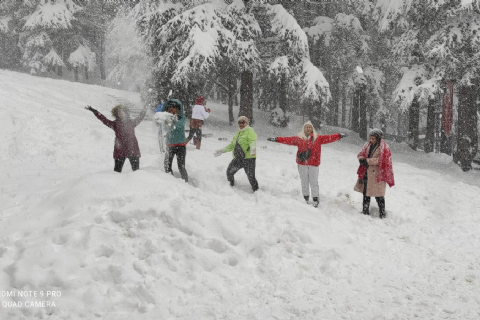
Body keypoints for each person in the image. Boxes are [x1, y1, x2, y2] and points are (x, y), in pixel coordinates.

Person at [267, 121, 346, 208]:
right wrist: (276, 139)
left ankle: (315, 199)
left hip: (314, 163)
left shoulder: (318, 138)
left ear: (312, 129)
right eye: (306, 127)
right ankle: (306, 198)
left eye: (310, 127)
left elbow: (330, 138)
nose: (308, 128)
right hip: (302, 163)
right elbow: (287, 140)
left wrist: (339, 135)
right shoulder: (299, 138)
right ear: (303, 129)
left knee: (313, 182)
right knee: (304, 181)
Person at [85, 104, 147, 173]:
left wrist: (145, 107)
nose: (121, 113)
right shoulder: (115, 124)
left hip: (132, 149)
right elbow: (104, 119)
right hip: (120, 150)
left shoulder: (131, 122)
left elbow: (141, 116)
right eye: (119, 112)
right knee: (117, 172)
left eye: (122, 111)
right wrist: (94, 111)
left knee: (137, 172)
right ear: (116, 114)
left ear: (126, 112)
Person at [354, 128, 395, 218]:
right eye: (370, 138)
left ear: (378, 138)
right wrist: (361, 158)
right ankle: (365, 210)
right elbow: (361, 153)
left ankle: (382, 213)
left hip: (377, 174)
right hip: (367, 172)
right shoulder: (367, 145)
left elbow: (382, 160)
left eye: (373, 138)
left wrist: (367, 161)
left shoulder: (384, 147)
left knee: (378, 195)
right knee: (366, 193)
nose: (371, 140)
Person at [214, 116, 258, 192]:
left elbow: (252, 141)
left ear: (247, 123)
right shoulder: (238, 133)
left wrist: (253, 149)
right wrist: (222, 150)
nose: (241, 124)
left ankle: (256, 191)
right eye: (239, 122)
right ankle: (230, 187)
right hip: (239, 158)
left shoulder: (250, 131)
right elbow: (232, 145)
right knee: (229, 172)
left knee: (251, 177)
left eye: (243, 122)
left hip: (249, 159)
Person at [155, 99, 188, 182]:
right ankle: (170, 183)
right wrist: (158, 118)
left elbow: (178, 125)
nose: (171, 109)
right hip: (170, 146)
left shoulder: (181, 117)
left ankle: (186, 183)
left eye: (174, 107)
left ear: (178, 109)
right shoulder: (166, 117)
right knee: (167, 165)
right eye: (169, 107)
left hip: (181, 146)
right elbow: (158, 124)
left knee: (181, 166)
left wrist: (172, 121)